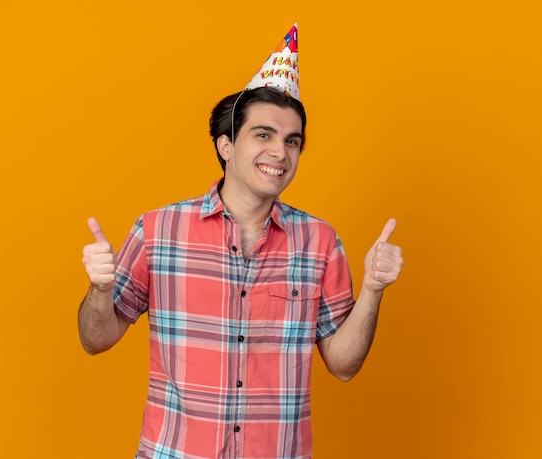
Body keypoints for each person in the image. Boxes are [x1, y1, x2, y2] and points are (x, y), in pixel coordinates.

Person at [79, 25, 403, 459]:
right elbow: (95, 339)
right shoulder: (159, 231)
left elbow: (344, 366)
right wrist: (101, 291)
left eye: (292, 141)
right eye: (263, 135)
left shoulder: (319, 242)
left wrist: (373, 290)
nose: (280, 153)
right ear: (226, 145)